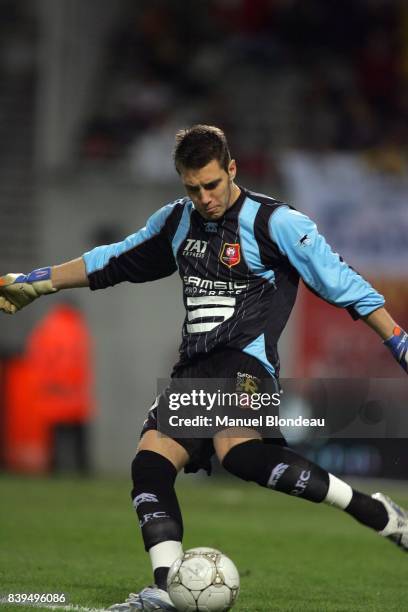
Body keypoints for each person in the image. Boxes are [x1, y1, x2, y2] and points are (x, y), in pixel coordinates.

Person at [0, 125, 407, 612]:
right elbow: (113, 260)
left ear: (231, 169)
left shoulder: (275, 223)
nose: (205, 198)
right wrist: (39, 282)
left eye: (212, 185)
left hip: (248, 361)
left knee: (235, 452)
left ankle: (368, 508)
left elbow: (340, 281)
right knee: (150, 463)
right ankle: (170, 588)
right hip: (195, 366)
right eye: (192, 188)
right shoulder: (176, 222)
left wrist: (397, 338)